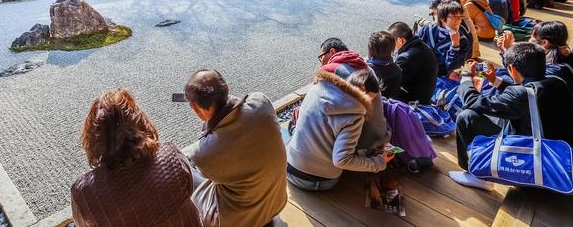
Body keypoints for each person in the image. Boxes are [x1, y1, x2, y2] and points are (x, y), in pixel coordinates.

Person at [449, 43, 573, 190]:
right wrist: (495, 80)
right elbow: (525, 92)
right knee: (494, 115)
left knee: (467, 116)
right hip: (565, 158)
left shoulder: (520, 95)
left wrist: (466, 77)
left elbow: (473, 101)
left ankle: (476, 175)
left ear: (512, 69)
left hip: (539, 164)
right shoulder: (557, 82)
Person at [71, 89, 203, 227]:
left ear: (93, 137)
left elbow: (82, 224)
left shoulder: (83, 193)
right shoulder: (171, 157)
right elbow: (189, 188)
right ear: (140, 121)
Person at [183, 70, 287, 227]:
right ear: (228, 89)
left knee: (183, 165)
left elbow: (200, 156)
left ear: (195, 107)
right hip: (276, 204)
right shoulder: (261, 102)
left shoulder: (204, 152)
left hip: (236, 222)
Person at [286, 67, 394, 191]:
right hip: (317, 181)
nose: (370, 103)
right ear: (363, 90)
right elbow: (342, 160)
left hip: (288, 166)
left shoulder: (316, 89)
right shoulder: (355, 114)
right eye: (370, 98)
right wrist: (378, 162)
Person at [498, 21, 573, 132]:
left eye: (532, 37)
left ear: (545, 43)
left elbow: (525, 85)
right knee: (501, 75)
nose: (529, 39)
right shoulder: (563, 56)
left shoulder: (557, 71)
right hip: (560, 114)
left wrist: (507, 53)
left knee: (500, 88)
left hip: (562, 127)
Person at [387, 21, 438, 105]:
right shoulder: (422, 46)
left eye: (392, 43)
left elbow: (393, 84)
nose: (391, 46)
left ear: (400, 40)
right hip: (425, 97)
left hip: (414, 102)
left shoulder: (406, 57)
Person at [418, 0, 470, 77]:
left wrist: (455, 46)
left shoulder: (462, 41)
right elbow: (415, 47)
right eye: (455, 17)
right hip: (421, 69)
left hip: (440, 76)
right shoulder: (427, 29)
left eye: (460, 17)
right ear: (442, 18)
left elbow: (452, 67)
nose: (459, 21)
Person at [366, 31, 402, 100]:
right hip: (391, 107)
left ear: (370, 51)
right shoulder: (397, 69)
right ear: (392, 49)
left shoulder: (367, 71)